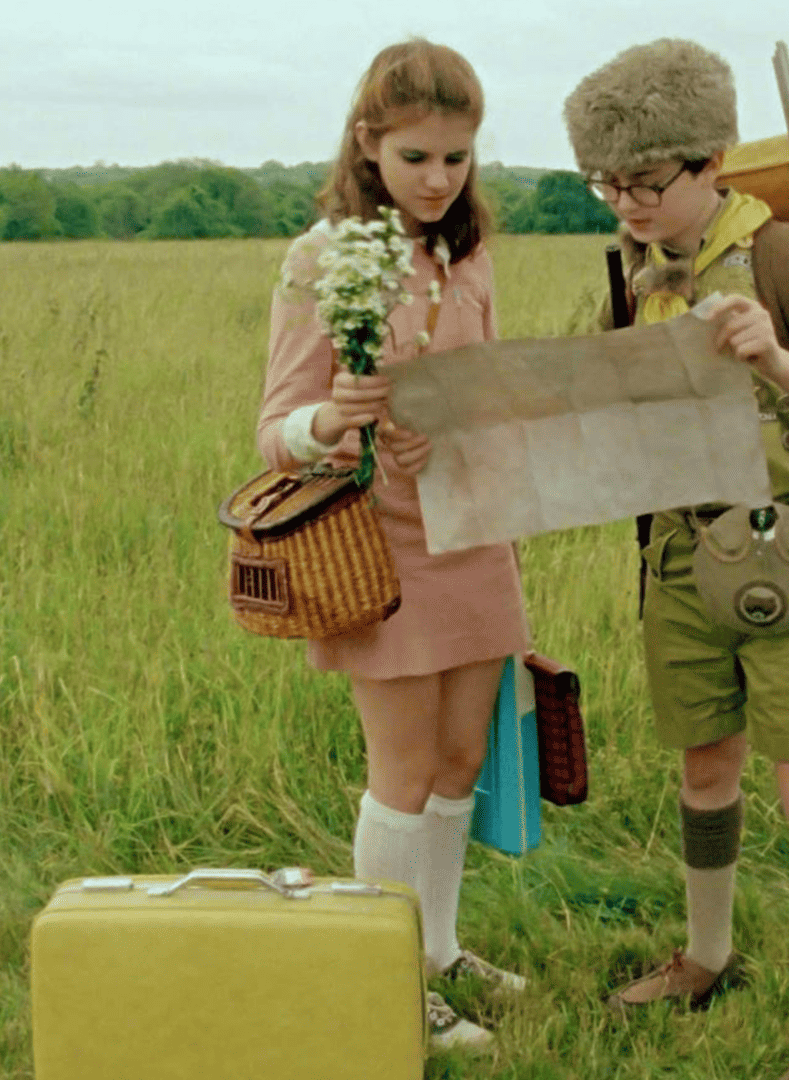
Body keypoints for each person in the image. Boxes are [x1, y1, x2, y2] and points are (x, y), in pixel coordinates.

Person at [564, 39, 789, 1080]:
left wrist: (774, 357)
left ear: (711, 161)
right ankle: (706, 956)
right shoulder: (632, 274)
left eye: (645, 182)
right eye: (608, 184)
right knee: (704, 768)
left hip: (786, 554)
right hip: (674, 556)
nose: (625, 203)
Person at [255, 38, 528, 1052]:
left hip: (476, 532)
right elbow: (274, 428)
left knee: (463, 762)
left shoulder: (470, 253)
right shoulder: (325, 254)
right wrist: (340, 419)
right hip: (382, 549)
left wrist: (461, 422)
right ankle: (386, 979)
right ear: (370, 143)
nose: (439, 177)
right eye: (417, 157)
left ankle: (441, 950)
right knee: (403, 773)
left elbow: (491, 393)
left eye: (457, 157)